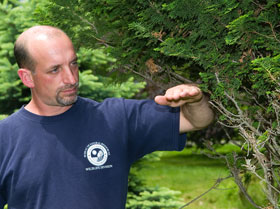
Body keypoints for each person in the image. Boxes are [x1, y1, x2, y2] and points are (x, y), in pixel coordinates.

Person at [0, 25, 214, 209]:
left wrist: (196, 100)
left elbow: (196, 120)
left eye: (73, 63)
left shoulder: (115, 118)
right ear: (27, 77)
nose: (71, 78)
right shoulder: (5, 138)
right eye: (55, 70)